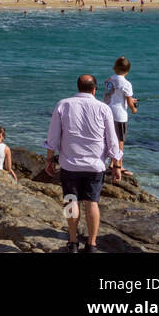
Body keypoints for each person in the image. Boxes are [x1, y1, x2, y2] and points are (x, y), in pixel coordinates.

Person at [45, 74, 122, 252]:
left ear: (78, 87)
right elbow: (112, 140)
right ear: (94, 89)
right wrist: (116, 164)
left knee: (71, 202)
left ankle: (73, 242)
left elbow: (53, 136)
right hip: (95, 165)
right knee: (92, 203)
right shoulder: (104, 108)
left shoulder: (63, 104)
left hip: (69, 164)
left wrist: (49, 159)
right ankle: (92, 244)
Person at [103, 56, 137, 164]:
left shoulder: (109, 80)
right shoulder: (126, 84)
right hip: (119, 115)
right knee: (119, 140)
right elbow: (129, 100)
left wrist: (129, 100)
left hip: (107, 111)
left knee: (108, 137)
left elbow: (113, 94)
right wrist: (133, 109)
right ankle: (118, 164)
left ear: (114, 68)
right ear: (128, 70)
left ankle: (108, 162)